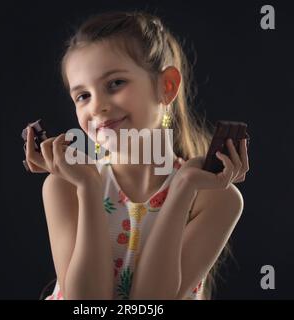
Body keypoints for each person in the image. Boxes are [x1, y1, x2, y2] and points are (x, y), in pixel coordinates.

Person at [25, 10, 249, 300]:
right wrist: (89, 189)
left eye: (115, 83)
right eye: (83, 96)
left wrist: (182, 189)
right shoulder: (66, 185)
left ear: (166, 86)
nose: (97, 107)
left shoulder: (215, 197)